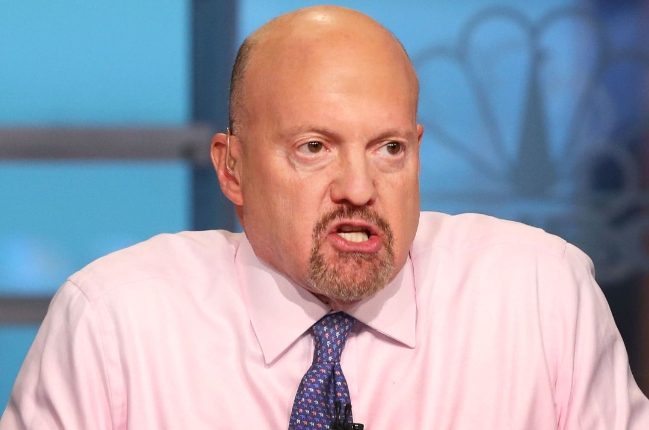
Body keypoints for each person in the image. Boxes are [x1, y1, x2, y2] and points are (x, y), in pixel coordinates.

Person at [2, 5, 649, 429]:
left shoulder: (540, 294)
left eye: (388, 149)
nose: (359, 189)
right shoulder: (115, 322)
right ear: (232, 169)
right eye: (314, 148)